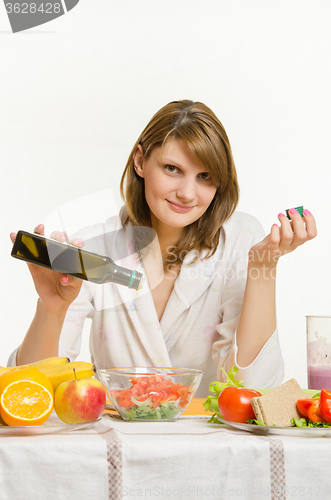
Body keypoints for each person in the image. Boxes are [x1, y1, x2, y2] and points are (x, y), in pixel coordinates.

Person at [9, 100, 317, 396]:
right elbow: (29, 391)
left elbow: (255, 391)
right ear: (140, 161)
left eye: (205, 176)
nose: (186, 193)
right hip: (120, 445)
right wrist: (52, 308)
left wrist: (263, 268)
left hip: (209, 448)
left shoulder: (239, 238)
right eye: (172, 168)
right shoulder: (95, 248)